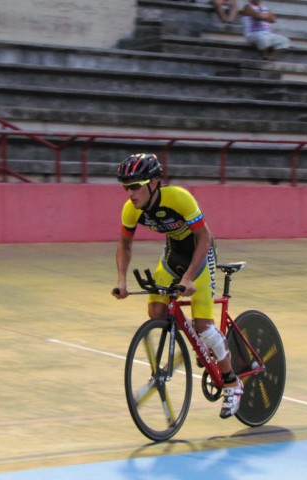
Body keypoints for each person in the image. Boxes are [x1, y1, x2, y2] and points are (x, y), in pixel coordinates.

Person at [112, 153, 243, 419]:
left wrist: (188, 279)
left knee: (203, 326)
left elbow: (204, 237)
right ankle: (197, 345)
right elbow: (125, 245)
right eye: (126, 186)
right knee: (157, 313)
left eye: (136, 185)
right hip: (173, 256)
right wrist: (122, 280)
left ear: (154, 183)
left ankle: (232, 381)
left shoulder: (180, 198)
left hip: (200, 255)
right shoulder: (131, 209)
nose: (130, 193)